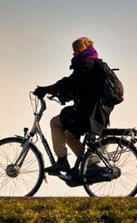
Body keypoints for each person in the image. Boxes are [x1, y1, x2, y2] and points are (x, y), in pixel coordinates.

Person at [33, 37, 113, 173]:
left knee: (55, 122)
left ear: (80, 50)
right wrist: (64, 95)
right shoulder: (94, 64)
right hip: (96, 112)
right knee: (69, 135)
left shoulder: (85, 65)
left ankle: (62, 161)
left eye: (75, 52)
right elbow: (82, 88)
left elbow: (70, 82)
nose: (73, 55)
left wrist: (47, 89)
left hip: (89, 113)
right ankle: (90, 164)